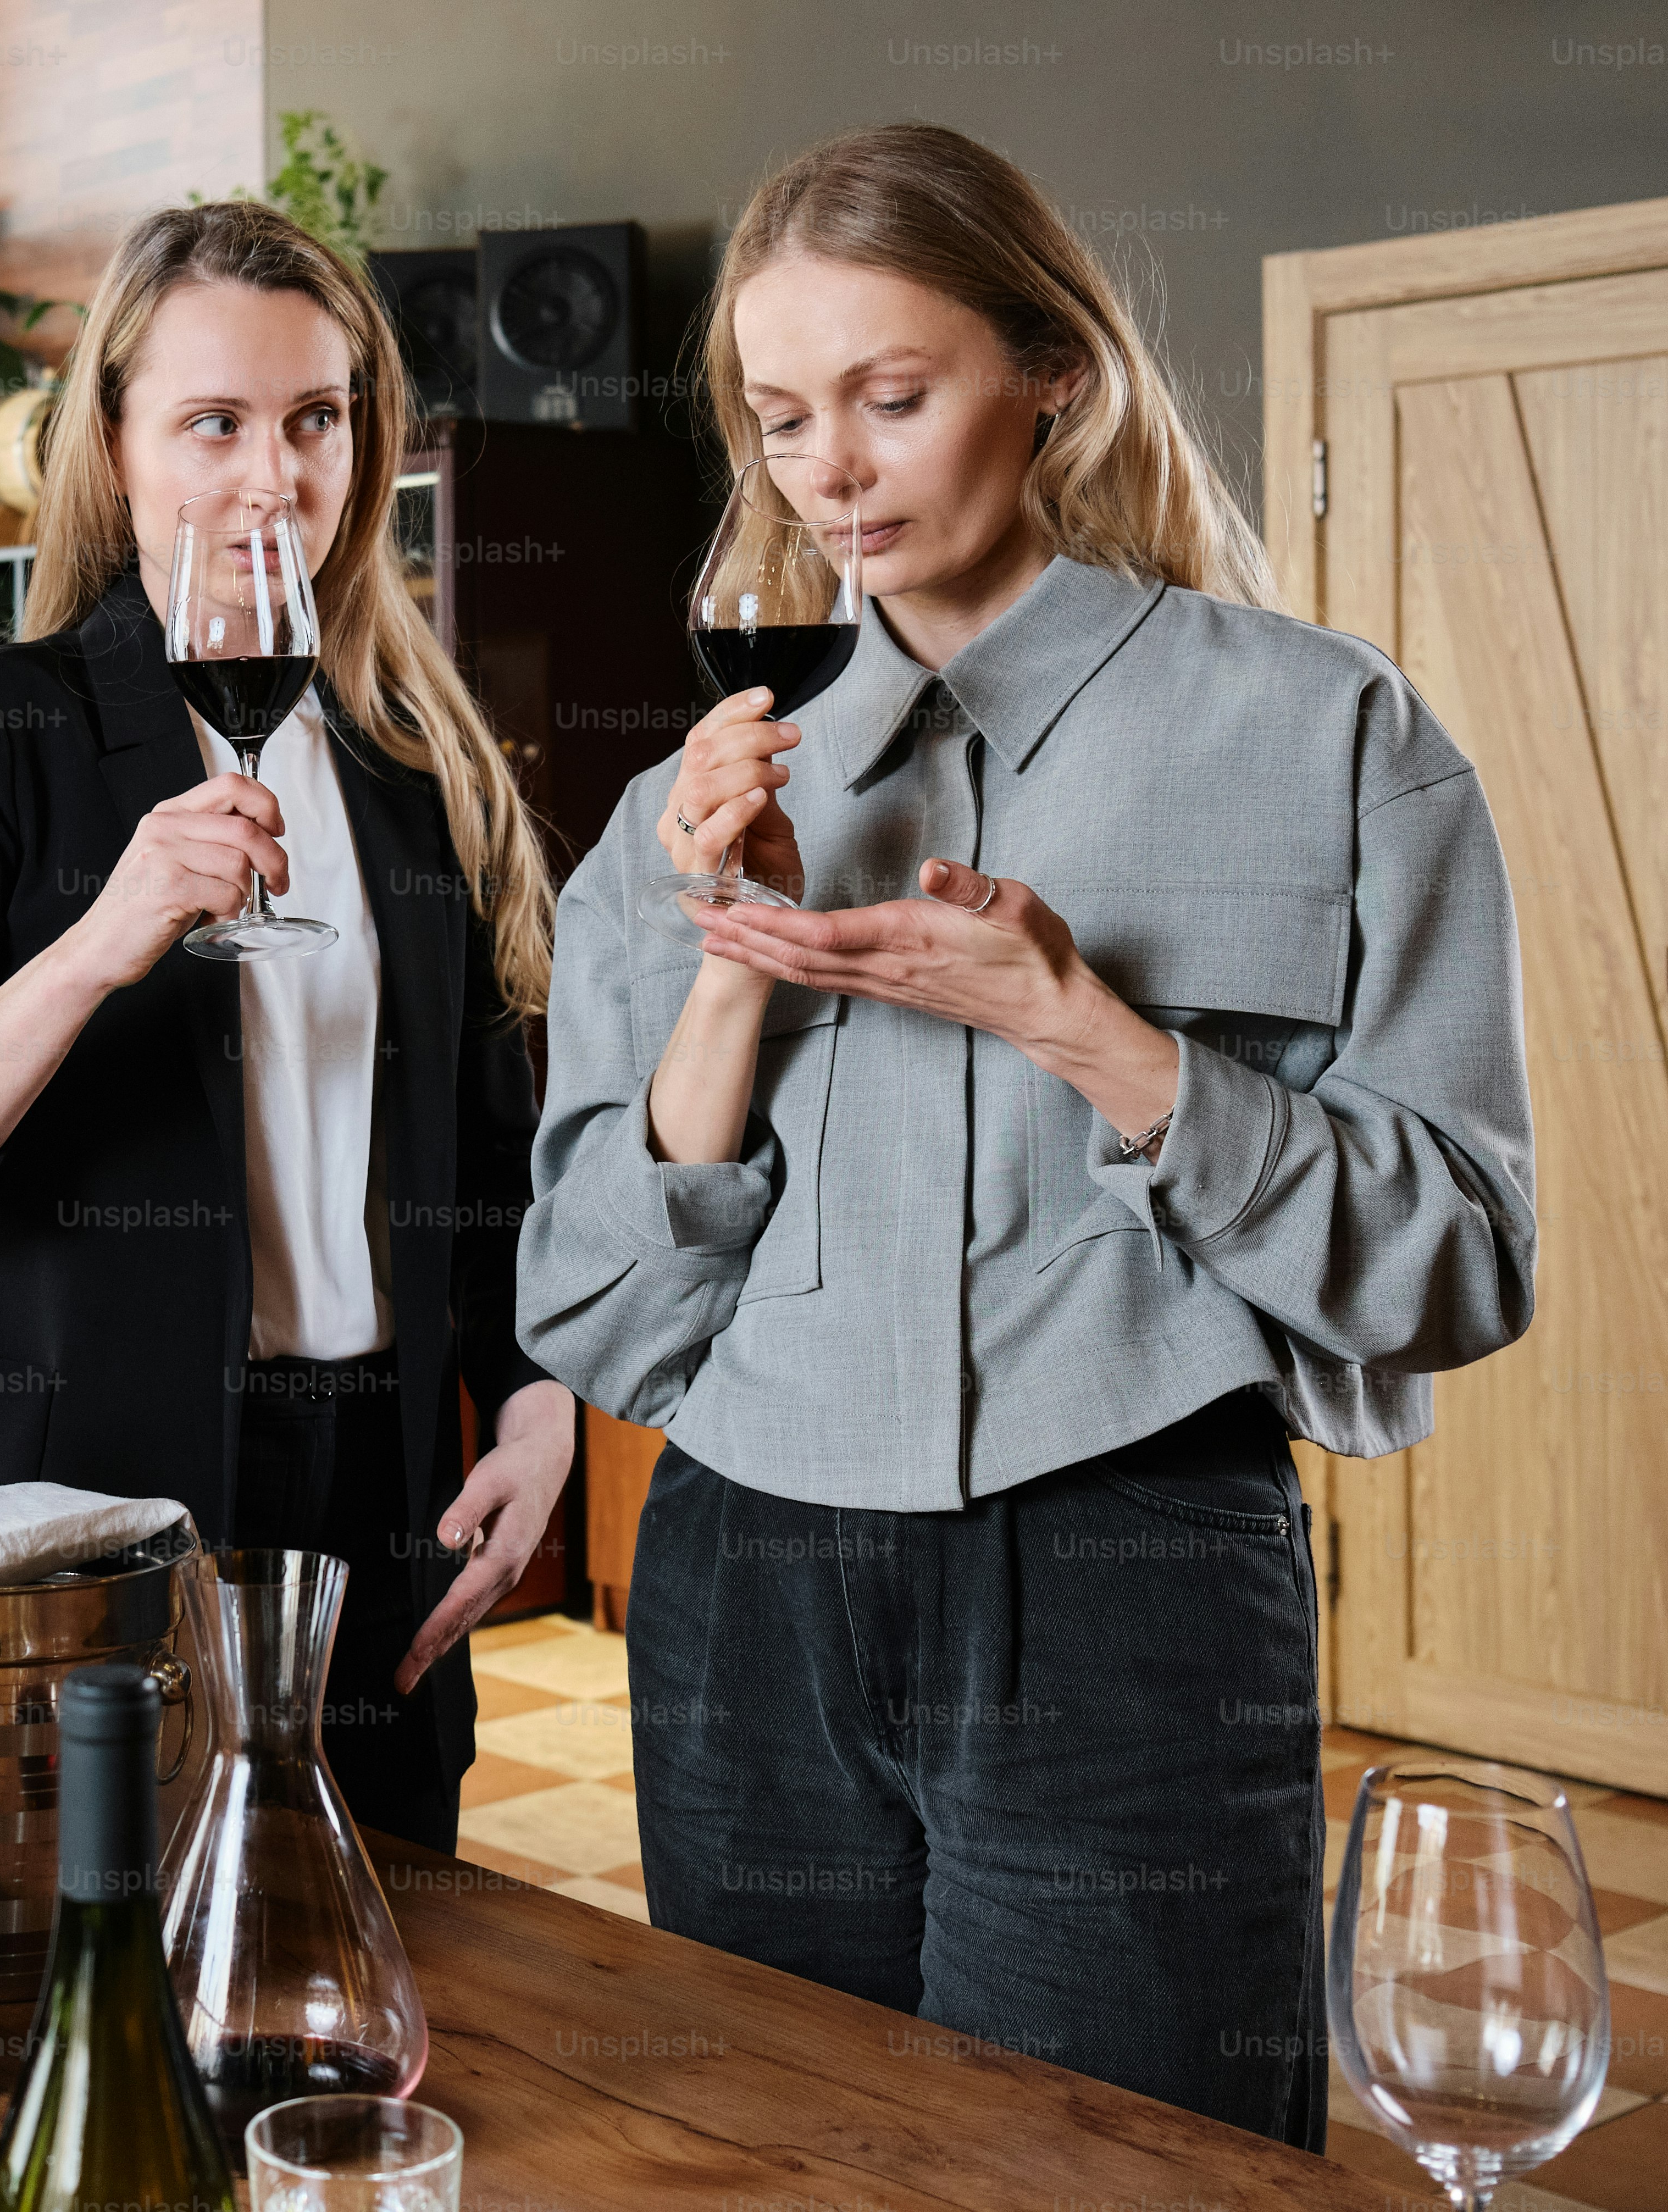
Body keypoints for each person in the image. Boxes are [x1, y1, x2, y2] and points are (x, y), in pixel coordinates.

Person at [520, 122, 1533, 2148]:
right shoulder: (691, 807)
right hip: (746, 1593)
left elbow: (1462, 1260)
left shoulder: (1336, 735)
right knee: (778, 2165)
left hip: (1131, 1570)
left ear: (1050, 367)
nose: (833, 470)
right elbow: (597, 1311)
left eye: (895, 398)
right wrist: (730, 963)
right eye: (784, 416)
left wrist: (1095, 1035)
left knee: (1133, 2171)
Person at [0, 201, 571, 1850]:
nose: (270, 477)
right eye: (214, 422)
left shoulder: (420, 766)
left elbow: (501, 1162)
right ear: (120, 444)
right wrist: (97, 947)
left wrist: (539, 1396)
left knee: (384, 2020)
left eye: (314, 421)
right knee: (97, 2031)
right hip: (94, 1523)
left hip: (380, 1509)